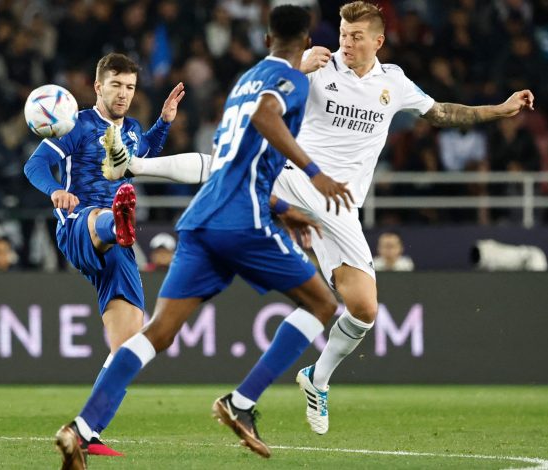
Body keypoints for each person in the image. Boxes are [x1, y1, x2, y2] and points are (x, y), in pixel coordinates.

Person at [112, 0, 535, 437]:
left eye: (355, 36)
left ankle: (317, 378)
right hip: (296, 176)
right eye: (342, 33)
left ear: (378, 41)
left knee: (365, 309)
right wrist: (296, 65)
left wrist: (498, 111)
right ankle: (135, 166)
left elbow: (444, 113)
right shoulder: (318, 66)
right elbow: (261, 90)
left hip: (340, 207)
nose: (345, 43)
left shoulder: (394, 82)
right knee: (229, 163)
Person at [56, 6, 354, 467]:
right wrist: (315, 176)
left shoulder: (245, 81)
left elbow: (226, 161)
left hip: (202, 217)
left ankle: (83, 427)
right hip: (242, 219)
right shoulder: (290, 80)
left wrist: (283, 209)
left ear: (267, 35)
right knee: (323, 305)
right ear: (306, 37)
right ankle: (241, 402)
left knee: (157, 332)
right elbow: (266, 118)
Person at [24, 52, 185, 459]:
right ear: (98, 86)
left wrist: (163, 122)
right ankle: (118, 221)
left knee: (129, 346)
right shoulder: (75, 124)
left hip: (119, 248)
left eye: (129, 87)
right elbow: (35, 165)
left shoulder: (130, 128)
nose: (123, 94)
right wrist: (55, 191)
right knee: (102, 214)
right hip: (80, 225)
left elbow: (143, 153)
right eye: (115, 85)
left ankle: (88, 432)